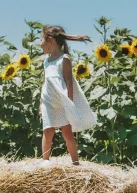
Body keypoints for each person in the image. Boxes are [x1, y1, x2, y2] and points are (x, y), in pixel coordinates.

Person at [39, 25, 97, 166]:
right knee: (47, 131)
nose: (40, 43)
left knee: (67, 134)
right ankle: (45, 163)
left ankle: (75, 163)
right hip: (48, 101)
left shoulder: (64, 59)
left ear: (50, 40)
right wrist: (40, 104)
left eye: (42, 39)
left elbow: (69, 83)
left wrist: (69, 104)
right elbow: (44, 82)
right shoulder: (46, 60)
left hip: (62, 102)